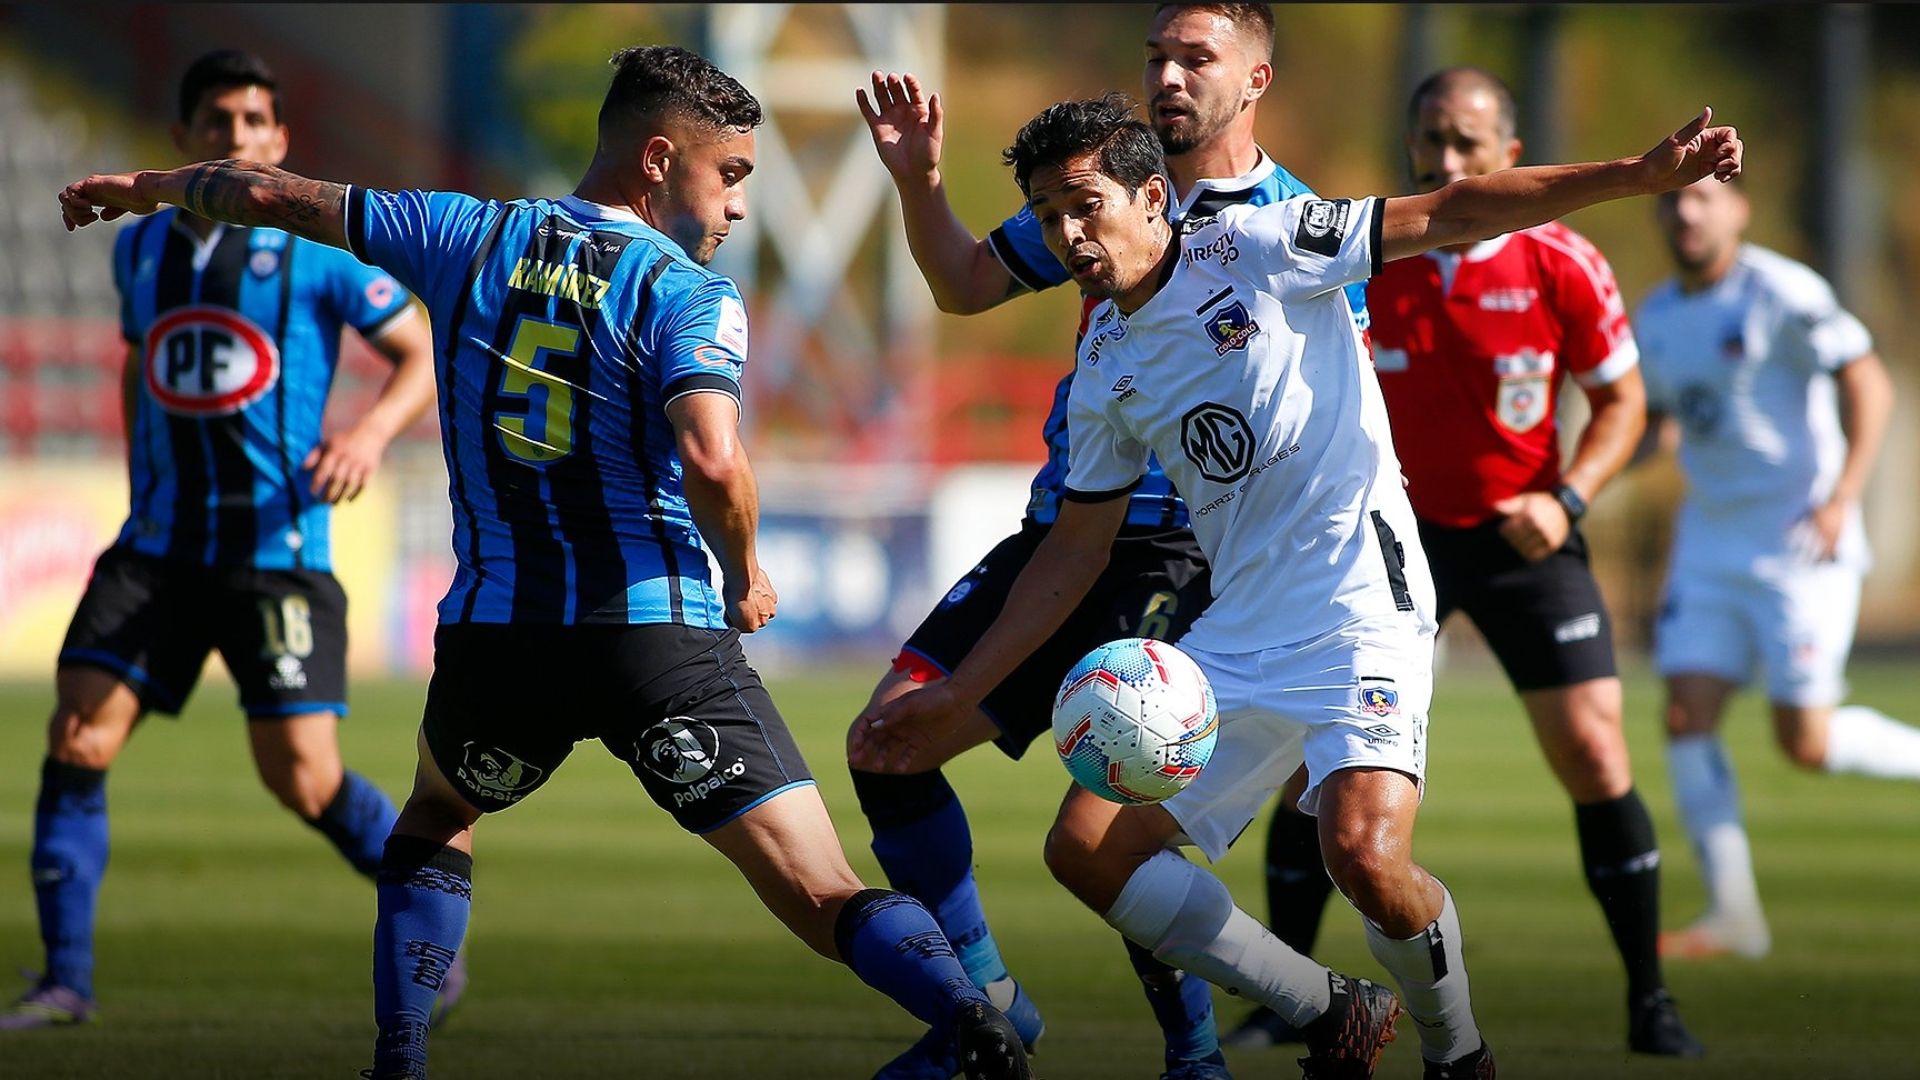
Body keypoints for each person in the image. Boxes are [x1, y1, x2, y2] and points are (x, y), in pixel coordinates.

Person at [57, 45, 1041, 1080]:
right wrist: (745, 571)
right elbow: (712, 455)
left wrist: (149, 189)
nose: (741, 206)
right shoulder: (687, 293)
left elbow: (275, 194)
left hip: (502, 639)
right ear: (659, 160)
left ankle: (400, 1058)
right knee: (821, 885)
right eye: (734, 175)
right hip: (656, 638)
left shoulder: (461, 233)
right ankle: (972, 1025)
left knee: (437, 816)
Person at [864, 94, 1741, 1079]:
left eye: (1084, 204)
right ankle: (1325, 1007)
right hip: (1241, 625)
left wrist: (1632, 177)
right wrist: (962, 688)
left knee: (1362, 855)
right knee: (1087, 850)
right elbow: (1072, 553)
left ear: (1153, 195)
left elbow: (1454, 210)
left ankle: (1459, 1054)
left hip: (1364, 599)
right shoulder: (1106, 356)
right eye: (1046, 213)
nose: (1067, 234)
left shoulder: (1258, 244)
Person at [847, 7, 1366, 1077]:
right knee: (887, 746)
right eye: (1157, 58)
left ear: (1255, 76)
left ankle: (1194, 1053)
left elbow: (1337, 421)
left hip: (1186, 558)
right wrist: (918, 184)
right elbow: (964, 285)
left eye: (1196, 59)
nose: (1169, 77)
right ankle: (985, 1007)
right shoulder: (1095, 194)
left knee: (1114, 812)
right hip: (1063, 533)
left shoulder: (1292, 226)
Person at [1228, 67, 1702, 1058]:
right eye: (1430, 142)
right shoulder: (1370, 256)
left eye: (1466, 145)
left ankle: (1650, 1001)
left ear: (1509, 156)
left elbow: (1622, 406)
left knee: (1594, 751)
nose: (1445, 161)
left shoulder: (1562, 260)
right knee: (1310, 767)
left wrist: (1566, 498)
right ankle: (1286, 994)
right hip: (1393, 540)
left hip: (1527, 535)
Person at [4, 48, 445, 1032]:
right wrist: (137, 480)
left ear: (281, 142)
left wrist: (369, 432)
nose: (238, 137)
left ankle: (431, 932)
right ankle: (64, 981)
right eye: (219, 122)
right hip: (157, 545)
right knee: (77, 732)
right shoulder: (139, 249)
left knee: (301, 775)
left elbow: (418, 353)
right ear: (186, 140)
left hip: (275, 551)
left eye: (256, 122)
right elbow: (139, 365)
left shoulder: (320, 255)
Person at [1634, 173, 1917, 961]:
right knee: (1685, 716)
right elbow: (1659, 425)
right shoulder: (1656, 315)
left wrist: (1843, 497)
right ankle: (1734, 915)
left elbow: (1869, 383)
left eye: (1702, 198)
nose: (1685, 212)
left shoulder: (1784, 292)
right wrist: (1581, 481)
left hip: (1799, 543)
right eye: (1672, 199)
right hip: (1711, 542)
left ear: (1738, 209)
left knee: (1808, 743)